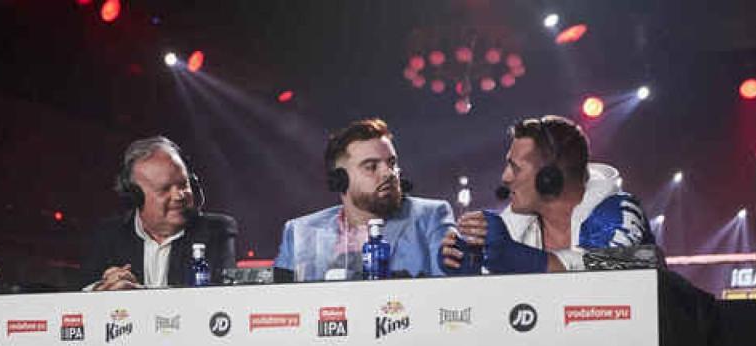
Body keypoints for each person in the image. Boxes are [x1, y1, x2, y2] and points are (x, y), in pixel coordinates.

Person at [441, 115, 655, 274]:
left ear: (549, 178)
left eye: (515, 168)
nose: (505, 177)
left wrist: (518, 257)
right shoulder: (515, 224)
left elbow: (608, 269)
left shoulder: (619, 210)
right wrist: (469, 269)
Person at [274, 118, 454, 281]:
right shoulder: (299, 231)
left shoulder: (431, 217)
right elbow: (278, 303)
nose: (389, 173)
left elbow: (452, 292)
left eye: (391, 163)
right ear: (340, 180)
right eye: (371, 166)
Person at [81, 136, 237, 289]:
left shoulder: (218, 231)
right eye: (164, 189)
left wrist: (138, 297)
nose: (179, 196)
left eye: (183, 184)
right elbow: (79, 295)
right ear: (135, 197)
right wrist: (102, 289)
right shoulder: (108, 235)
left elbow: (220, 296)